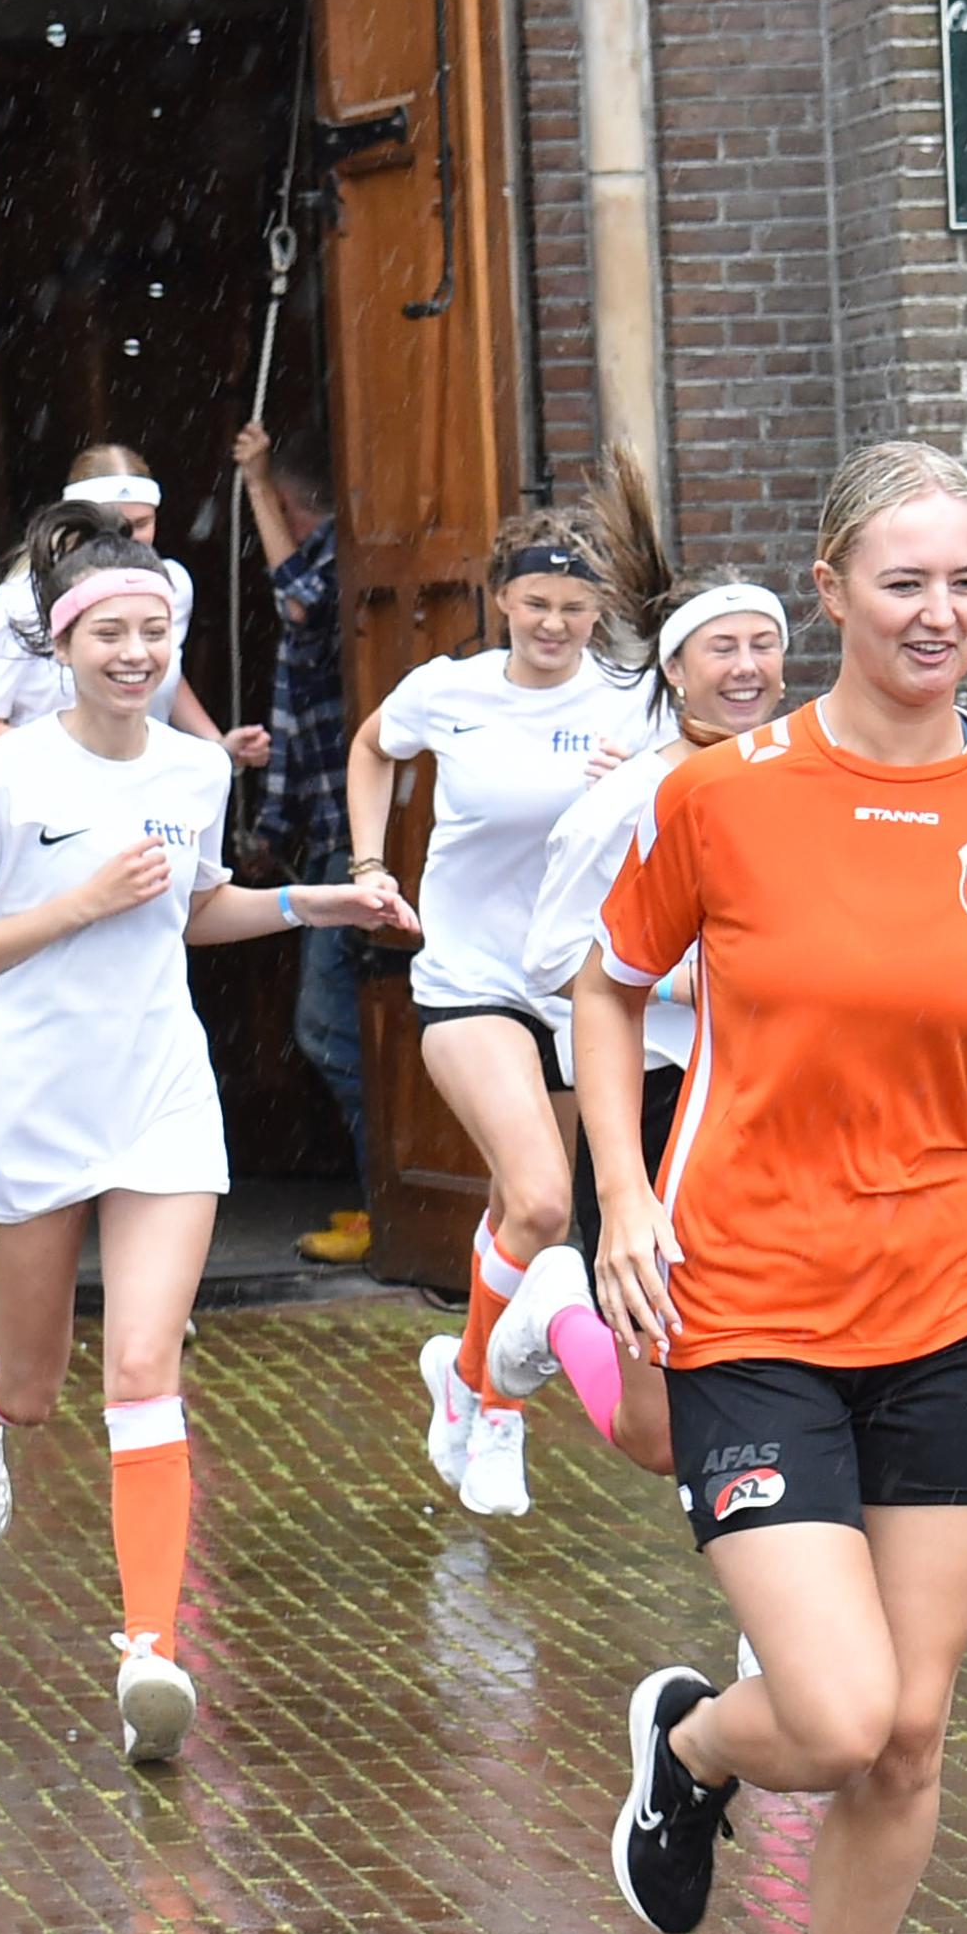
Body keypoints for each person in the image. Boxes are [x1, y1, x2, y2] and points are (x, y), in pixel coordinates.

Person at [586, 442, 967, 1934]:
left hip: (944, 1312)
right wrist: (621, 1200)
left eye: (966, 581)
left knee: (909, 1731)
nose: (938, 613)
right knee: (827, 1712)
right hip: (747, 1302)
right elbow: (608, 989)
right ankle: (692, 1744)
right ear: (829, 592)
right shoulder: (725, 792)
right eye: (903, 582)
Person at [0, 500, 413, 1766]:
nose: (136, 655)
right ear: (62, 646)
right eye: (112, 634)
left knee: (145, 1368)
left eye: (156, 634)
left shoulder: (195, 770)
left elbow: (194, 914)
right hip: (28, 1102)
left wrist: (321, 903)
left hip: (158, 1099)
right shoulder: (4, 776)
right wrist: (78, 902)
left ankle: (150, 1651)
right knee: (35, 1392)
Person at [348, 481, 666, 1518]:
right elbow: (371, 748)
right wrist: (367, 863)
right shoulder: (453, 689)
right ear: (502, 602)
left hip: (579, 984)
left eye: (573, 609)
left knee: (511, 1211)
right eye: (535, 604)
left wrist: (649, 772)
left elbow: (704, 774)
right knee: (541, 1199)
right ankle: (494, 1408)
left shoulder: (630, 697)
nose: (554, 625)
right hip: (470, 977)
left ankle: (465, 1373)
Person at [498, 490, 788, 1478]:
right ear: (674, 670)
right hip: (657, 1107)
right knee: (654, 1436)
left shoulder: (811, 783)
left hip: (774, 1107)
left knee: (785, 1364)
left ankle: (780, 1614)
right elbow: (547, 962)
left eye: (764, 645)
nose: (747, 668)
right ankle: (559, 1308)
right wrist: (684, 985)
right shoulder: (629, 799)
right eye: (723, 649)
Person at [233, 419, 374, 1263]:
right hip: (323, 828)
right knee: (344, 1024)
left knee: (330, 1028)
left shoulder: (337, 561)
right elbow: (298, 729)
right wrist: (271, 831)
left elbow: (298, 595)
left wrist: (253, 482)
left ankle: (387, 1197)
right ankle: (379, 1194)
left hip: (349, 839)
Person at [0, 443, 269, 771]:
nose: (128, 539)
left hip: (147, 791)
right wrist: (87, 767)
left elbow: (160, 674)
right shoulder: (19, 601)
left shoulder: (171, 584)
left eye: (141, 523)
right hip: (53, 801)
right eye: (115, 525)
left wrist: (215, 746)